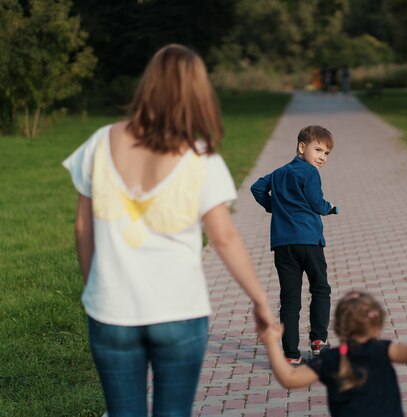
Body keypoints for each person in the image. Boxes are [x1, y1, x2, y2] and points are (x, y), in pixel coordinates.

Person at [62, 44, 274, 417]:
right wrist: (259, 299)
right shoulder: (200, 155)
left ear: (148, 85)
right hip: (179, 312)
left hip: (111, 313)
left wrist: (94, 289)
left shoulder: (99, 142)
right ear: (196, 93)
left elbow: (83, 229)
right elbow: (224, 238)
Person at [260, 290, 407, 417]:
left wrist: (271, 343)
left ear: (339, 328)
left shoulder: (329, 360)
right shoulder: (383, 350)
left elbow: (289, 378)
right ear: (377, 327)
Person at [251, 125, 338, 365]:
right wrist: (330, 208)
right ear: (302, 147)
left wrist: (273, 206)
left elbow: (257, 188)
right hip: (309, 241)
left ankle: (290, 354)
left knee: (289, 299)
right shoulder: (310, 173)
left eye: (326, 153)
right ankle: (318, 341)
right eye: (318, 149)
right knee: (320, 288)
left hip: (282, 245)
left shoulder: (278, 173)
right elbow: (316, 202)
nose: (322, 157)